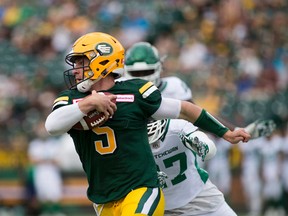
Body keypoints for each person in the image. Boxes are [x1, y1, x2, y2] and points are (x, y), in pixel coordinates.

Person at [45, 32, 250, 216]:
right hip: (103, 196)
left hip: (141, 189)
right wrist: (89, 103)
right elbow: (52, 125)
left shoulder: (135, 93)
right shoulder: (70, 99)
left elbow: (184, 109)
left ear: (102, 62)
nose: (75, 70)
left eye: (82, 62)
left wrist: (225, 132)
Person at [124, 41, 276, 135]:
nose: (142, 77)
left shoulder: (174, 86)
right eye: (137, 73)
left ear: (159, 67)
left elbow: (198, 116)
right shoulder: (119, 91)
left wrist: (233, 130)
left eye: (147, 72)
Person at [147, 118, 238, 215]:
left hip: (199, 196)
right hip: (163, 207)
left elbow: (208, 148)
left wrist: (202, 144)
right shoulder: (131, 141)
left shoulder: (176, 128)